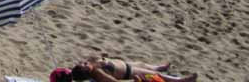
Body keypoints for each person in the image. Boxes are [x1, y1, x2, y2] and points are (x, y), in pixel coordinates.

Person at [63, 56, 197, 82]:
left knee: (144, 64)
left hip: (126, 64)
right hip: (128, 73)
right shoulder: (99, 75)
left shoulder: (92, 63)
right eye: (84, 65)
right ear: (87, 71)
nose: (84, 62)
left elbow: (99, 57)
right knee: (154, 74)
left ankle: (160, 67)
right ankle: (180, 80)